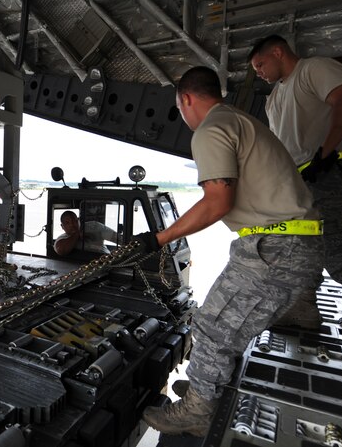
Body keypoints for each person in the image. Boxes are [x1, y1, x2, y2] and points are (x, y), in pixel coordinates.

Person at [136, 66, 324, 437]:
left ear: (185, 99)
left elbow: (217, 201)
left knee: (212, 326)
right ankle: (204, 388)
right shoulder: (239, 119)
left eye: (180, 108)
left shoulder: (210, 130)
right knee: (227, 322)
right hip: (294, 241)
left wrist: (159, 238)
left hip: (275, 246)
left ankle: (198, 410)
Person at [248, 35, 342, 351]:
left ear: (277, 52)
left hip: (328, 174)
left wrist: (324, 153)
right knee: (300, 246)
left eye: (260, 64)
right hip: (298, 182)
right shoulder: (274, 97)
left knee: (332, 242)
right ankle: (304, 308)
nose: (258, 72)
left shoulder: (313, 70)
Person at [53, 210, 119, 255]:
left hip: (107, 259)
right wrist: (77, 234)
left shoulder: (94, 227)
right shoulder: (62, 239)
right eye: (67, 223)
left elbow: (119, 239)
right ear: (62, 226)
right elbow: (61, 250)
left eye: (75, 221)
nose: (72, 224)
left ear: (79, 221)